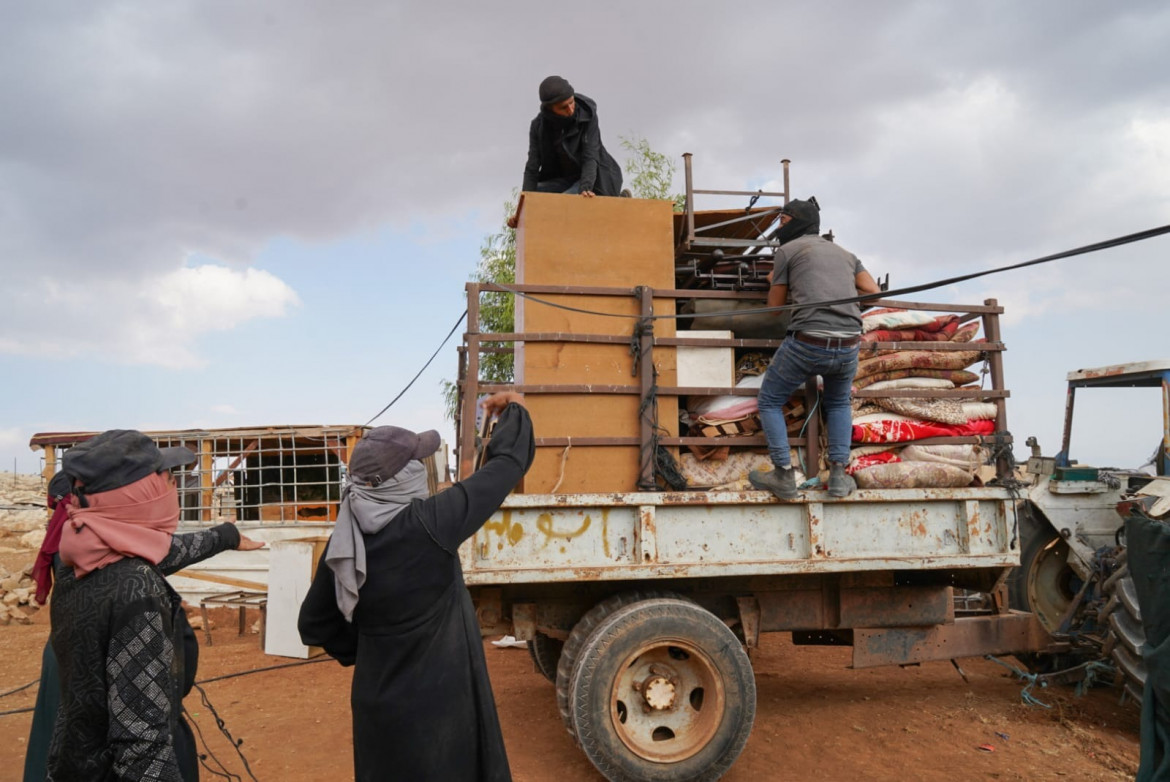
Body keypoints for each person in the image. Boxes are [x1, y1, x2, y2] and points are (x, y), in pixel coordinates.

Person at [298, 391, 534, 782]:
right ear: (400, 479)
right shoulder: (432, 524)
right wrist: (513, 411)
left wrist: (372, 648)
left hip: (379, 711)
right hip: (440, 712)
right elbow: (507, 466)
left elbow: (315, 623)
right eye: (415, 462)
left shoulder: (345, 543)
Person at [46, 430, 264, 781]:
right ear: (140, 495)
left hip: (76, 759)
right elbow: (140, 740)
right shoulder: (137, 589)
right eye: (168, 479)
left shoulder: (81, 555)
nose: (174, 488)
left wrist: (227, 536)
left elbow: (161, 552)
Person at [749, 197, 882, 500]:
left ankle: (783, 475)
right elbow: (874, 293)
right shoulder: (846, 254)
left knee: (769, 400)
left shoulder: (787, 251)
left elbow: (773, 309)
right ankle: (838, 477)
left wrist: (781, 280)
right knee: (837, 404)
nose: (779, 228)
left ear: (797, 223)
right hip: (849, 342)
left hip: (808, 342)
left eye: (782, 222)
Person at [506, 75, 623, 228]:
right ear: (550, 109)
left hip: (595, 178)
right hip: (564, 180)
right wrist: (522, 211)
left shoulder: (588, 114)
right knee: (534, 196)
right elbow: (532, 168)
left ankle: (618, 200)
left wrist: (585, 189)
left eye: (571, 102)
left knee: (561, 202)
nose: (570, 109)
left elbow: (591, 155)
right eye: (563, 107)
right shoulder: (538, 127)